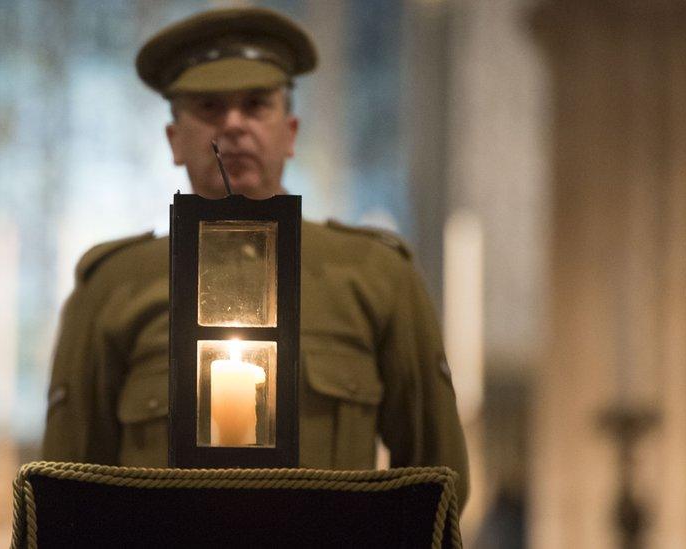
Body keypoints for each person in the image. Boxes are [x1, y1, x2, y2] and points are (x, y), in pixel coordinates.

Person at [41, 7, 469, 510]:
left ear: (290, 130)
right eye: (210, 108)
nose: (235, 125)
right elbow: (67, 493)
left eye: (255, 105)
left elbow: (437, 481)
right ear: (174, 140)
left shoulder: (373, 277)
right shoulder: (114, 288)